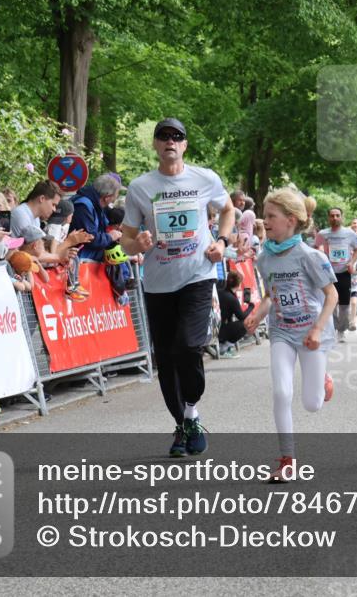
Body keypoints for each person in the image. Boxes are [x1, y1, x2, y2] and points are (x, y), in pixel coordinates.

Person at [120, 117, 235, 458]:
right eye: (163, 136)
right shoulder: (140, 186)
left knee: (188, 346)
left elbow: (228, 209)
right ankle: (186, 421)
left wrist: (223, 242)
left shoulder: (205, 178)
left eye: (177, 136)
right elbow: (126, 238)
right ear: (155, 145)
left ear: (185, 145)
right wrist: (136, 243)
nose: (170, 140)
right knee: (166, 359)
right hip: (158, 282)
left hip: (197, 275)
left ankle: (191, 407)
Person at [244, 188, 337, 483]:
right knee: (281, 392)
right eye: (264, 215)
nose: (265, 221)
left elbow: (332, 295)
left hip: (312, 334)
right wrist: (258, 313)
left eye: (271, 216)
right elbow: (271, 295)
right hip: (282, 331)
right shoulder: (264, 259)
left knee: (312, 404)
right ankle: (287, 459)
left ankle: (323, 379)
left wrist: (318, 330)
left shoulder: (310, 256)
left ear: (291, 220)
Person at [317, 207, 357, 341]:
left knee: (344, 304)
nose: (335, 218)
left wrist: (351, 262)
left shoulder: (350, 234)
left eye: (337, 215)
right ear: (328, 218)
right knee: (331, 303)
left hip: (344, 273)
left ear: (341, 217)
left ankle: (341, 330)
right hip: (329, 274)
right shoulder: (323, 234)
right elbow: (315, 249)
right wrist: (321, 254)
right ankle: (335, 328)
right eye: (332, 216)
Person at [71, 173, 122, 262]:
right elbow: (89, 238)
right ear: (107, 197)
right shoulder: (83, 206)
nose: (114, 200)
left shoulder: (98, 206)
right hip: (80, 260)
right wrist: (110, 237)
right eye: (114, 197)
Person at [217, 270, 253, 358]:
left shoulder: (220, 291)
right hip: (219, 331)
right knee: (245, 324)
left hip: (213, 328)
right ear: (239, 284)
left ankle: (223, 345)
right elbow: (241, 317)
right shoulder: (231, 298)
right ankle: (224, 348)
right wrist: (251, 307)